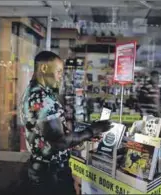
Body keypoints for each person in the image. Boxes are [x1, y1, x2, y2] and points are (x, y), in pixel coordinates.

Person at [19, 51, 112, 195]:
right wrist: (92, 130)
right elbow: (59, 142)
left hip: (44, 170)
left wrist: (82, 137)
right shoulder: (41, 97)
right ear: (44, 68)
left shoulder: (36, 92)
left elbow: (52, 134)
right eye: (59, 71)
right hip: (50, 176)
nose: (61, 76)